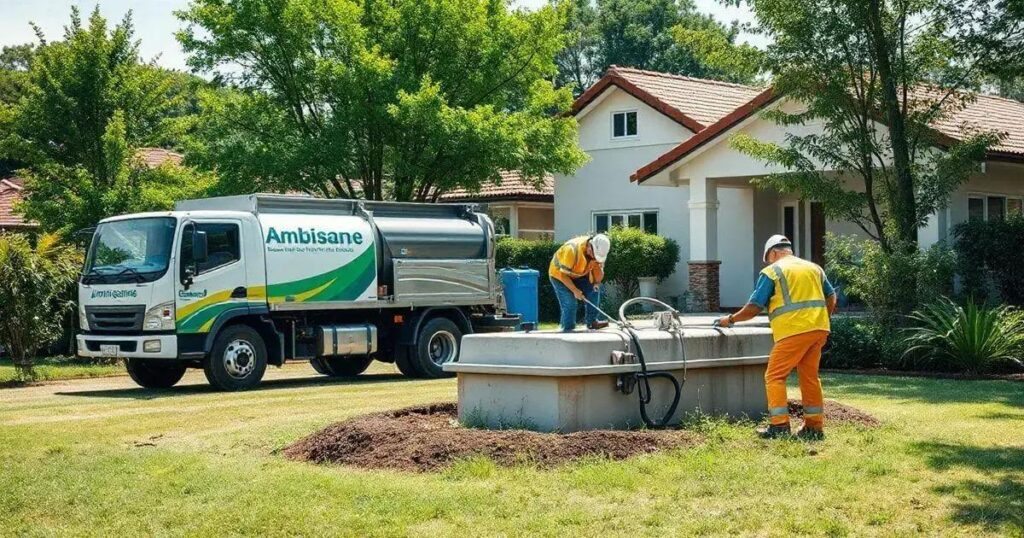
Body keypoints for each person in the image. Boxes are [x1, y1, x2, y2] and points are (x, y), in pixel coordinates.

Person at [717, 234, 838, 440]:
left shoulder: (772, 271)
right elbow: (831, 297)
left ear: (773, 253)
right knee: (809, 377)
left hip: (793, 331)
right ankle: (814, 427)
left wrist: (730, 319)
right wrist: (822, 319)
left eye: (768, 258)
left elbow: (754, 307)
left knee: (774, 376)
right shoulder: (813, 268)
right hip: (819, 330)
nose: (768, 262)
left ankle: (779, 426)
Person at [548, 234, 610, 332]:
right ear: (590, 246)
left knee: (594, 291)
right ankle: (568, 329)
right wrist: (575, 290)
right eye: (594, 255)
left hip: (579, 274)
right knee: (570, 303)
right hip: (559, 276)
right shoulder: (572, 249)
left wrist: (597, 282)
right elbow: (563, 275)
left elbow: (598, 276)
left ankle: (592, 322)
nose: (594, 258)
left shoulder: (598, 254)